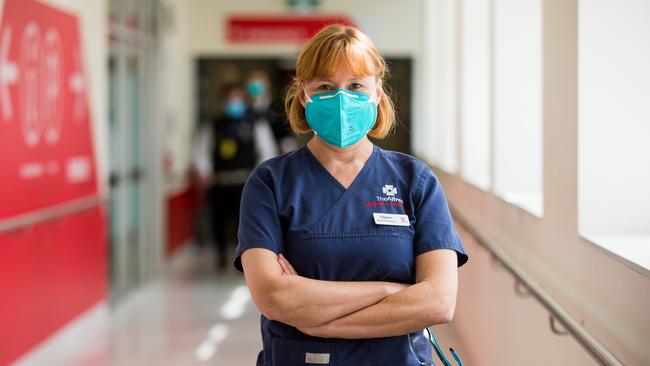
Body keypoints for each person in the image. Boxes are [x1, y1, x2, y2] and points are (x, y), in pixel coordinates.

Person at [234, 25, 468, 365]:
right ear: (304, 95)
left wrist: (316, 318)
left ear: (377, 93)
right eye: (326, 87)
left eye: (356, 85)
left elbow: (438, 302)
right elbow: (273, 296)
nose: (342, 99)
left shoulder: (415, 181)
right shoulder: (270, 183)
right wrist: (390, 291)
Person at [204, 84, 257, 269]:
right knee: (218, 220)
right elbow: (203, 150)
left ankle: (241, 256)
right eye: (231, 98)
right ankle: (220, 255)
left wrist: (259, 176)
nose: (235, 102)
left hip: (245, 181)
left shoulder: (254, 123)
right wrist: (205, 172)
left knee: (242, 222)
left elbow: (266, 152)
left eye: (238, 98)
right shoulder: (215, 124)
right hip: (220, 181)